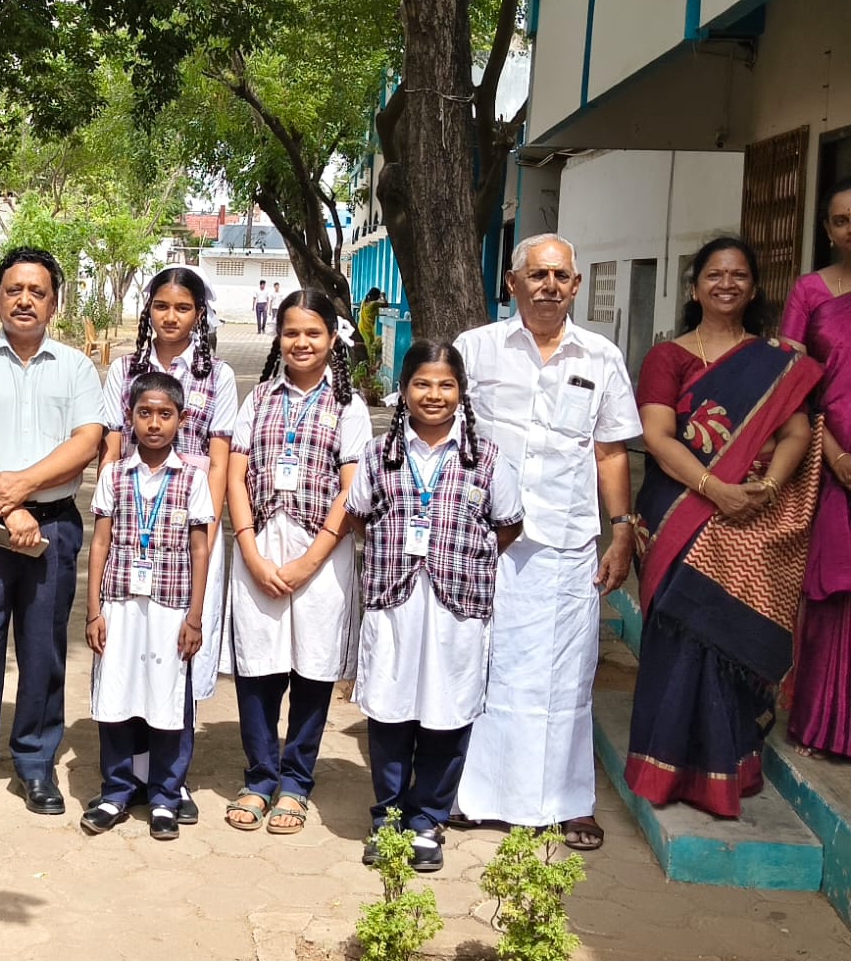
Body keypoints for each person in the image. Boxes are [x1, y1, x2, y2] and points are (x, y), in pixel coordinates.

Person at [453, 233, 641, 850]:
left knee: (565, 674)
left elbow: (610, 452)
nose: (549, 287)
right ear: (513, 283)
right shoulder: (476, 349)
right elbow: (442, 430)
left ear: (576, 286)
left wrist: (622, 530)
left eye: (561, 277)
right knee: (483, 666)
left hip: (564, 543)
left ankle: (567, 801)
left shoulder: (601, 357)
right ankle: (471, 795)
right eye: (537, 275)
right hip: (484, 538)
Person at [628, 237, 819, 815]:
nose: (726, 284)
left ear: (754, 288)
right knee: (680, 633)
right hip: (678, 509)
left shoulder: (775, 362)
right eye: (715, 274)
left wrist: (765, 490)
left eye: (739, 275)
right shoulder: (668, 357)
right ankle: (663, 771)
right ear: (695, 287)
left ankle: (723, 770)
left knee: (729, 635)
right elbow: (658, 437)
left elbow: (797, 432)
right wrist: (716, 490)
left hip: (752, 515)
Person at [0, 246, 104, 817]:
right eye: (14, 290)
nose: (24, 300)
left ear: (54, 303)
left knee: (43, 650)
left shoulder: (76, 367)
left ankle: (35, 763)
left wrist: (23, 489)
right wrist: (9, 509)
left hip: (52, 528)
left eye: (37, 291)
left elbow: (86, 442)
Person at [343, 341, 524, 872]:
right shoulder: (379, 454)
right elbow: (359, 515)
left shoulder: (485, 457)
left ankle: (427, 820)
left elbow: (507, 524)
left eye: (446, 385)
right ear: (403, 390)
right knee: (390, 708)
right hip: (394, 603)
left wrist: (460, 560)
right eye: (422, 383)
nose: (434, 394)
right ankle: (389, 817)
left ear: (462, 393)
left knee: (448, 710)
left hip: (456, 607)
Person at [224, 290, 371, 835]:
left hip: (322, 556)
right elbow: (235, 476)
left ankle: (296, 783)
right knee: (258, 668)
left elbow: (351, 490)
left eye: (313, 333)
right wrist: (249, 549)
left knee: (313, 667)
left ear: (332, 339)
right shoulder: (259, 398)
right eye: (291, 333)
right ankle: (260, 777)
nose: (301, 343)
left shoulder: (349, 406)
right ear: (278, 337)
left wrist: (310, 561)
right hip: (260, 548)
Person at [96, 266, 237, 823]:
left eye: (182, 308)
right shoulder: (123, 368)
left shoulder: (217, 374)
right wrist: (112, 504)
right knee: (128, 650)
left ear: (199, 315)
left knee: (176, 654)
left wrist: (209, 523)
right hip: (133, 517)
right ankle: (127, 778)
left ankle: (169, 782)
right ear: (148, 310)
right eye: (161, 306)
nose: (170, 316)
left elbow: (219, 457)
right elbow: (112, 444)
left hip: (190, 519)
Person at [82, 373, 215, 841]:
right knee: (116, 697)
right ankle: (116, 791)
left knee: (168, 702)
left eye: (165, 414)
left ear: (182, 419)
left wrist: (195, 617)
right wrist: (93, 610)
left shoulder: (193, 478)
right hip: (120, 605)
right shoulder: (115, 475)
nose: (154, 424)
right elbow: (100, 544)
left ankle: (164, 796)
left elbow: (200, 549)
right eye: (145, 413)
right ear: (130, 417)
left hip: (171, 609)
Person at [782, 178, 851, 760]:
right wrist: (835, 455)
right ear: (827, 229)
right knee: (832, 589)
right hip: (830, 462)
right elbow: (791, 382)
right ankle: (823, 724)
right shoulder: (810, 291)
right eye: (842, 220)